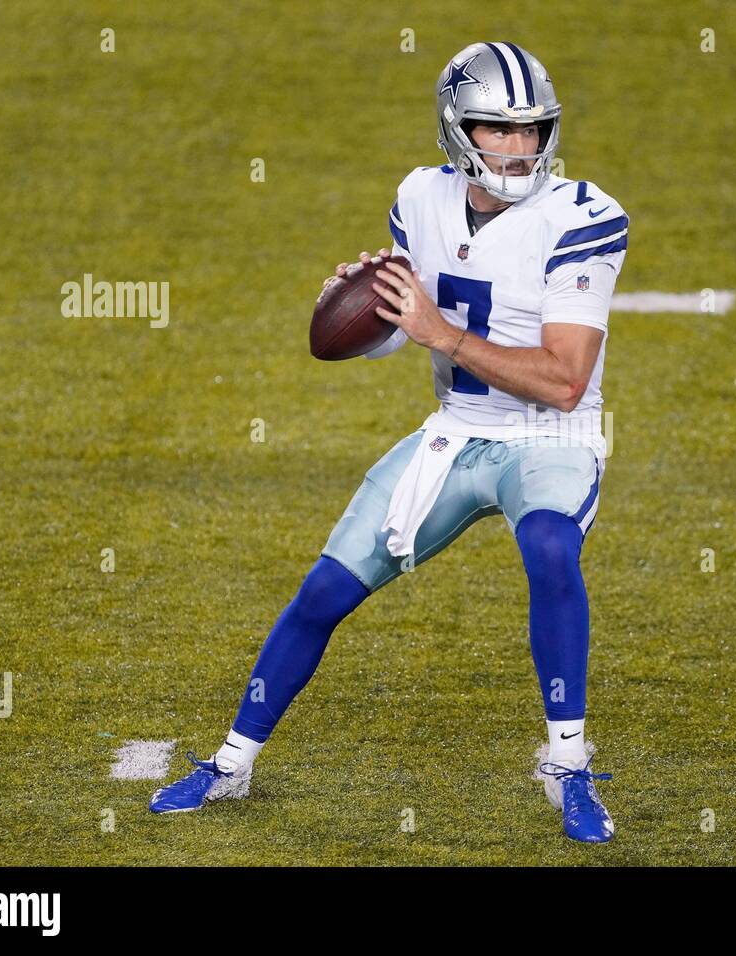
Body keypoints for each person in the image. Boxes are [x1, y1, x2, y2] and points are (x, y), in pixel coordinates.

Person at [148, 41, 629, 844]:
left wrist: (440, 330)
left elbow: (564, 381)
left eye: (531, 130)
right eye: (495, 129)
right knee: (326, 589)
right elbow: (406, 329)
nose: (518, 148)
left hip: (553, 435)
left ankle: (568, 763)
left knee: (550, 546)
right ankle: (231, 762)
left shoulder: (584, 217)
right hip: (456, 431)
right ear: (454, 128)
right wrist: (363, 312)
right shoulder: (420, 197)